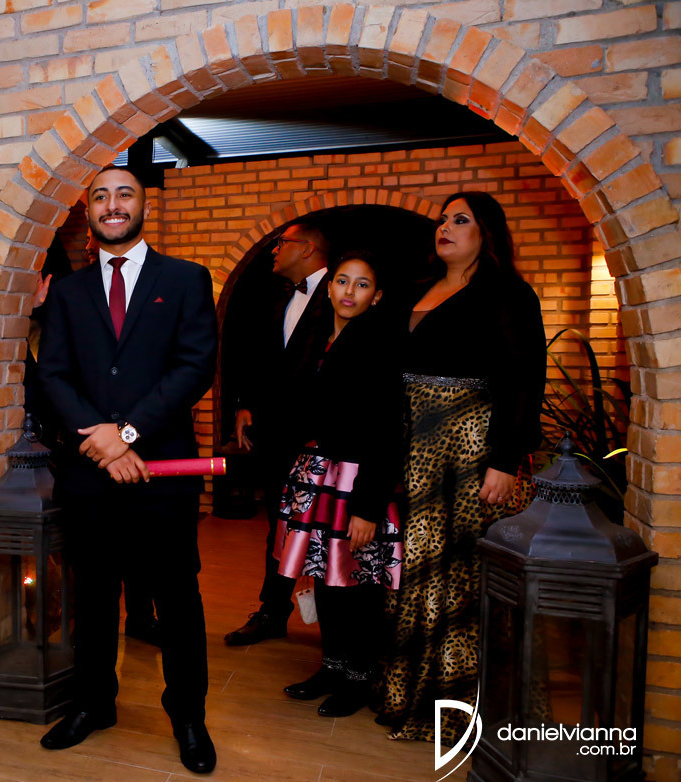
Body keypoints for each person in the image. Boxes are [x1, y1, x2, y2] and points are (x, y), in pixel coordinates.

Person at [35, 165, 219, 773]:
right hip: (89, 475)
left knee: (177, 598)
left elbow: (194, 367)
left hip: (162, 471)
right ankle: (94, 704)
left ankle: (188, 716)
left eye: (124, 194)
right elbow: (53, 374)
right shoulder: (67, 293)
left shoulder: (186, 279)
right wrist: (103, 442)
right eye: (100, 196)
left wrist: (128, 434)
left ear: (143, 206)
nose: (112, 204)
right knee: (93, 596)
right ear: (88, 212)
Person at [376, 191, 545, 742]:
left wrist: (505, 460)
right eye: (442, 219)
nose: (444, 227)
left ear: (485, 232)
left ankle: (466, 708)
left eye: (460, 219)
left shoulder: (508, 292)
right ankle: (414, 693)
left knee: (462, 577)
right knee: (420, 569)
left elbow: (523, 380)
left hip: (470, 447)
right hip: (415, 444)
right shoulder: (417, 288)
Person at [272, 252, 404, 717]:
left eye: (362, 284)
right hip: (316, 471)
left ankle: (359, 678)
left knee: (357, 581)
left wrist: (368, 506)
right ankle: (331, 667)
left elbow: (388, 430)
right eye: (342, 281)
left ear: (377, 296)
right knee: (324, 576)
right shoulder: (314, 337)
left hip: (358, 477)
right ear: (328, 287)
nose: (349, 291)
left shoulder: (382, 344)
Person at [225, 222, 334, 646]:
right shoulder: (280, 297)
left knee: (328, 532)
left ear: (307, 248)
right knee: (280, 525)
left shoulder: (340, 293)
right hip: (276, 437)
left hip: (323, 440)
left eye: (281, 243)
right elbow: (262, 361)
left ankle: (340, 631)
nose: (274, 250)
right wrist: (245, 405)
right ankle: (273, 611)